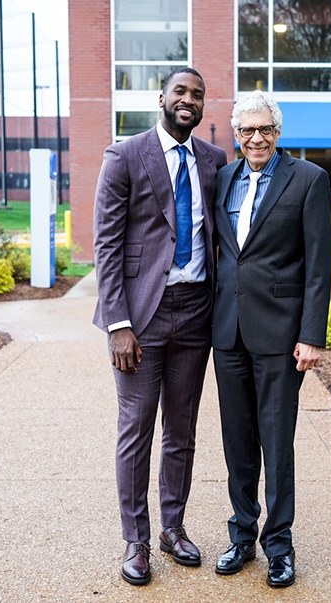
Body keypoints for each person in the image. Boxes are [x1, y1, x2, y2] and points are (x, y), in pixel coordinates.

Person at [93, 67, 227, 586]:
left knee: (182, 430)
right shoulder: (124, 156)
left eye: (197, 94)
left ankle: (173, 527)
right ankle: (136, 538)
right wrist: (117, 323)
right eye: (180, 92)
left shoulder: (214, 161)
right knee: (136, 428)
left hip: (196, 312)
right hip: (141, 317)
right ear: (162, 98)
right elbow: (106, 244)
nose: (188, 100)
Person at [212, 90, 331, 588]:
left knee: (276, 441)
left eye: (265, 129)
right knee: (237, 441)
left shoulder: (308, 179)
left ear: (278, 133)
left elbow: (318, 265)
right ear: (236, 135)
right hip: (228, 331)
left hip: (282, 336)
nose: (256, 138)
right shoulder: (223, 179)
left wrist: (311, 335)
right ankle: (242, 533)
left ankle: (279, 545)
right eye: (247, 130)